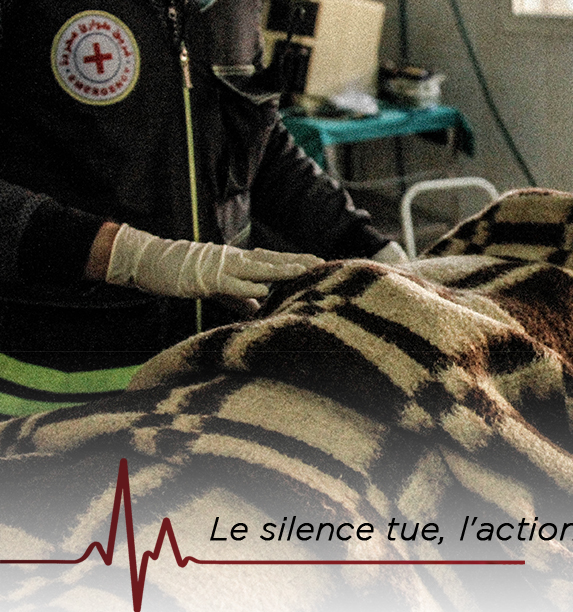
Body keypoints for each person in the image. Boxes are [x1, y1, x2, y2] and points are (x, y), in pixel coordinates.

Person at [0, 0, 405, 416]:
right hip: (56, 381)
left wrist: (367, 245)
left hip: (213, 366)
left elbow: (256, 147)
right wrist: (122, 255)